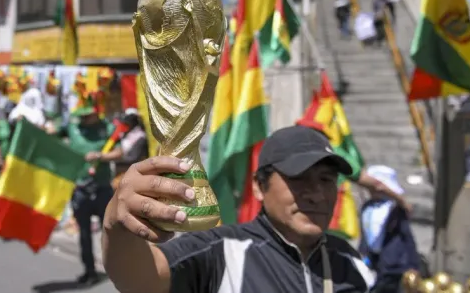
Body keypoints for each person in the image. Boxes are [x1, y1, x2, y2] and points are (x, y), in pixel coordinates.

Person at [102, 125, 373, 293]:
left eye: (326, 180)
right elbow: (140, 280)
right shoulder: (222, 249)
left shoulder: (350, 261)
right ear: (258, 186)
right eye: (298, 178)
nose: (316, 194)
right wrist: (117, 226)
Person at [54, 106, 123, 286]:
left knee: (109, 232)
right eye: (83, 116)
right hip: (80, 189)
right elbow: (52, 135)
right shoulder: (72, 128)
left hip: (102, 188)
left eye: (89, 115)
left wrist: (101, 155)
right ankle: (89, 271)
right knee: (83, 234)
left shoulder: (107, 128)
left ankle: (116, 270)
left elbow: (120, 152)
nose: (86, 118)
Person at [359, 165, 420, 292]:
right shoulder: (367, 207)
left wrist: (414, 265)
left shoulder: (394, 209)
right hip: (375, 263)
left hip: (395, 265)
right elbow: (366, 233)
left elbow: (407, 236)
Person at [108, 108, 149, 190]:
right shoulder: (125, 135)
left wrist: (113, 161)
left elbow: (133, 159)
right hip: (119, 173)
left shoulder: (140, 137)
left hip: (132, 175)